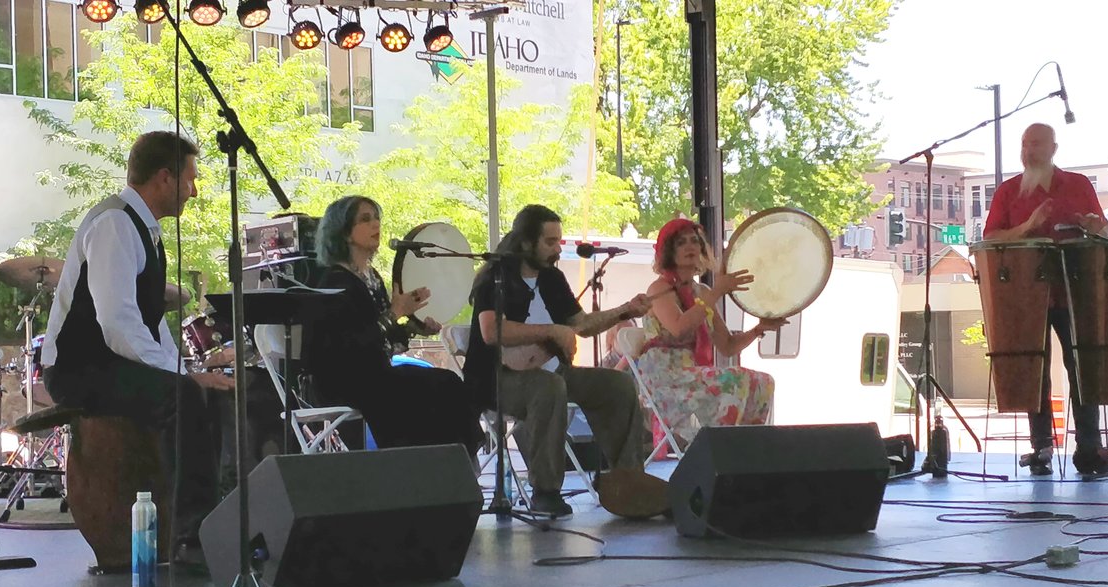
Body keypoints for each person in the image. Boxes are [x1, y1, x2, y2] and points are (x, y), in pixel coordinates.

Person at [40, 131, 235, 566]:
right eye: (190, 179)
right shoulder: (114, 224)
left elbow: (149, 322)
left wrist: (187, 372)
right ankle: (192, 538)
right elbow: (118, 324)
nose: (194, 191)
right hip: (77, 370)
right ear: (165, 177)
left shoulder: (142, 229)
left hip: (108, 363)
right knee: (182, 396)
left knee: (205, 392)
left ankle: (215, 519)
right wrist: (180, 379)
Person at [462, 204, 668, 520]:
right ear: (526, 242)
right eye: (550, 242)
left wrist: (625, 310)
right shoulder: (496, 277)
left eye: (558, 241)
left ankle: (628, 481)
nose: (558, 249)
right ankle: (545, 491)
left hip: (552, 373)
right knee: (548, 386)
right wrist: (552, 330)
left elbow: (581, 324)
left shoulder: (552, 278)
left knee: (616, 384)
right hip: (496, 379)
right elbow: (491, 331)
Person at [983, 122, 1108, 476]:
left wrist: (1094, 226)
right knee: (1034, 368)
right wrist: (1027, 227)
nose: (1029, 151)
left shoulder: (1078, 184)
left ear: (1053, 148)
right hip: (1024, 296)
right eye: (1025, 144)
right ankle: (1041, 447)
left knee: (1083, 366)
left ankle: (1088, 448)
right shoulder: (1008, 191)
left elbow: (1104, 229)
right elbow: (991, 237)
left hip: (1077, 292)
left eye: (1036, 144)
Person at [301, 196, 483, 457]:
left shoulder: (372, 277)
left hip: (375, 375)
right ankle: (439, 460)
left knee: (447, 383)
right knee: (439, 385)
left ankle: (451, 459)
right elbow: (352, 346)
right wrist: (396, 312)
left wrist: (413, 328)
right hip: (345, 380)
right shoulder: (335, 282)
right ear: (345, 232)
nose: (376, 224)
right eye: (365, 219)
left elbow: (381, 340)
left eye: (377, 218)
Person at [638, 218, 784, 443]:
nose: (690, 246)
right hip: (666, 378)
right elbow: (678, 328)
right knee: (735, 379)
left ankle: (749, 448)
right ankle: (722, 448)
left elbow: (727, 346)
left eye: (694, 241)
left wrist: (757, 330)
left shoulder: (702, 291)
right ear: (668, 252)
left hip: (693, 375)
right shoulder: (659, 289)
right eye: (681, 243)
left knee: (764, 382)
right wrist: (716, 292)